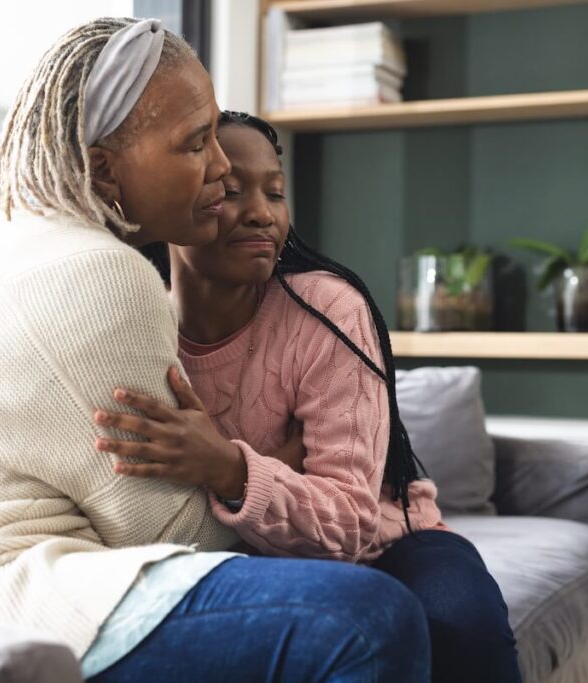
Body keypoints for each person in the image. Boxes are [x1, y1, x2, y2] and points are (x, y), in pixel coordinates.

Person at [0, 18, 430, 682]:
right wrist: (264, 463)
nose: (222, 166)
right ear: (106, 167)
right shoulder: (104, 276)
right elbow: (172, 531)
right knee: (367, 620)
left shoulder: (6, 241)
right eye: (196, 144)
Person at [99, 111, 522, 682]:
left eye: (275, 192)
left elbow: (350, 521)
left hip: (393, 542)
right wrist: (279, 467)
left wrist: (227, 467)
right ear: (177, 205)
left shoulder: (326, 309)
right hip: (245, 566)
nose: (261, 213)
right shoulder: (132, 330)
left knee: (458, 625)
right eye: (229, 191)